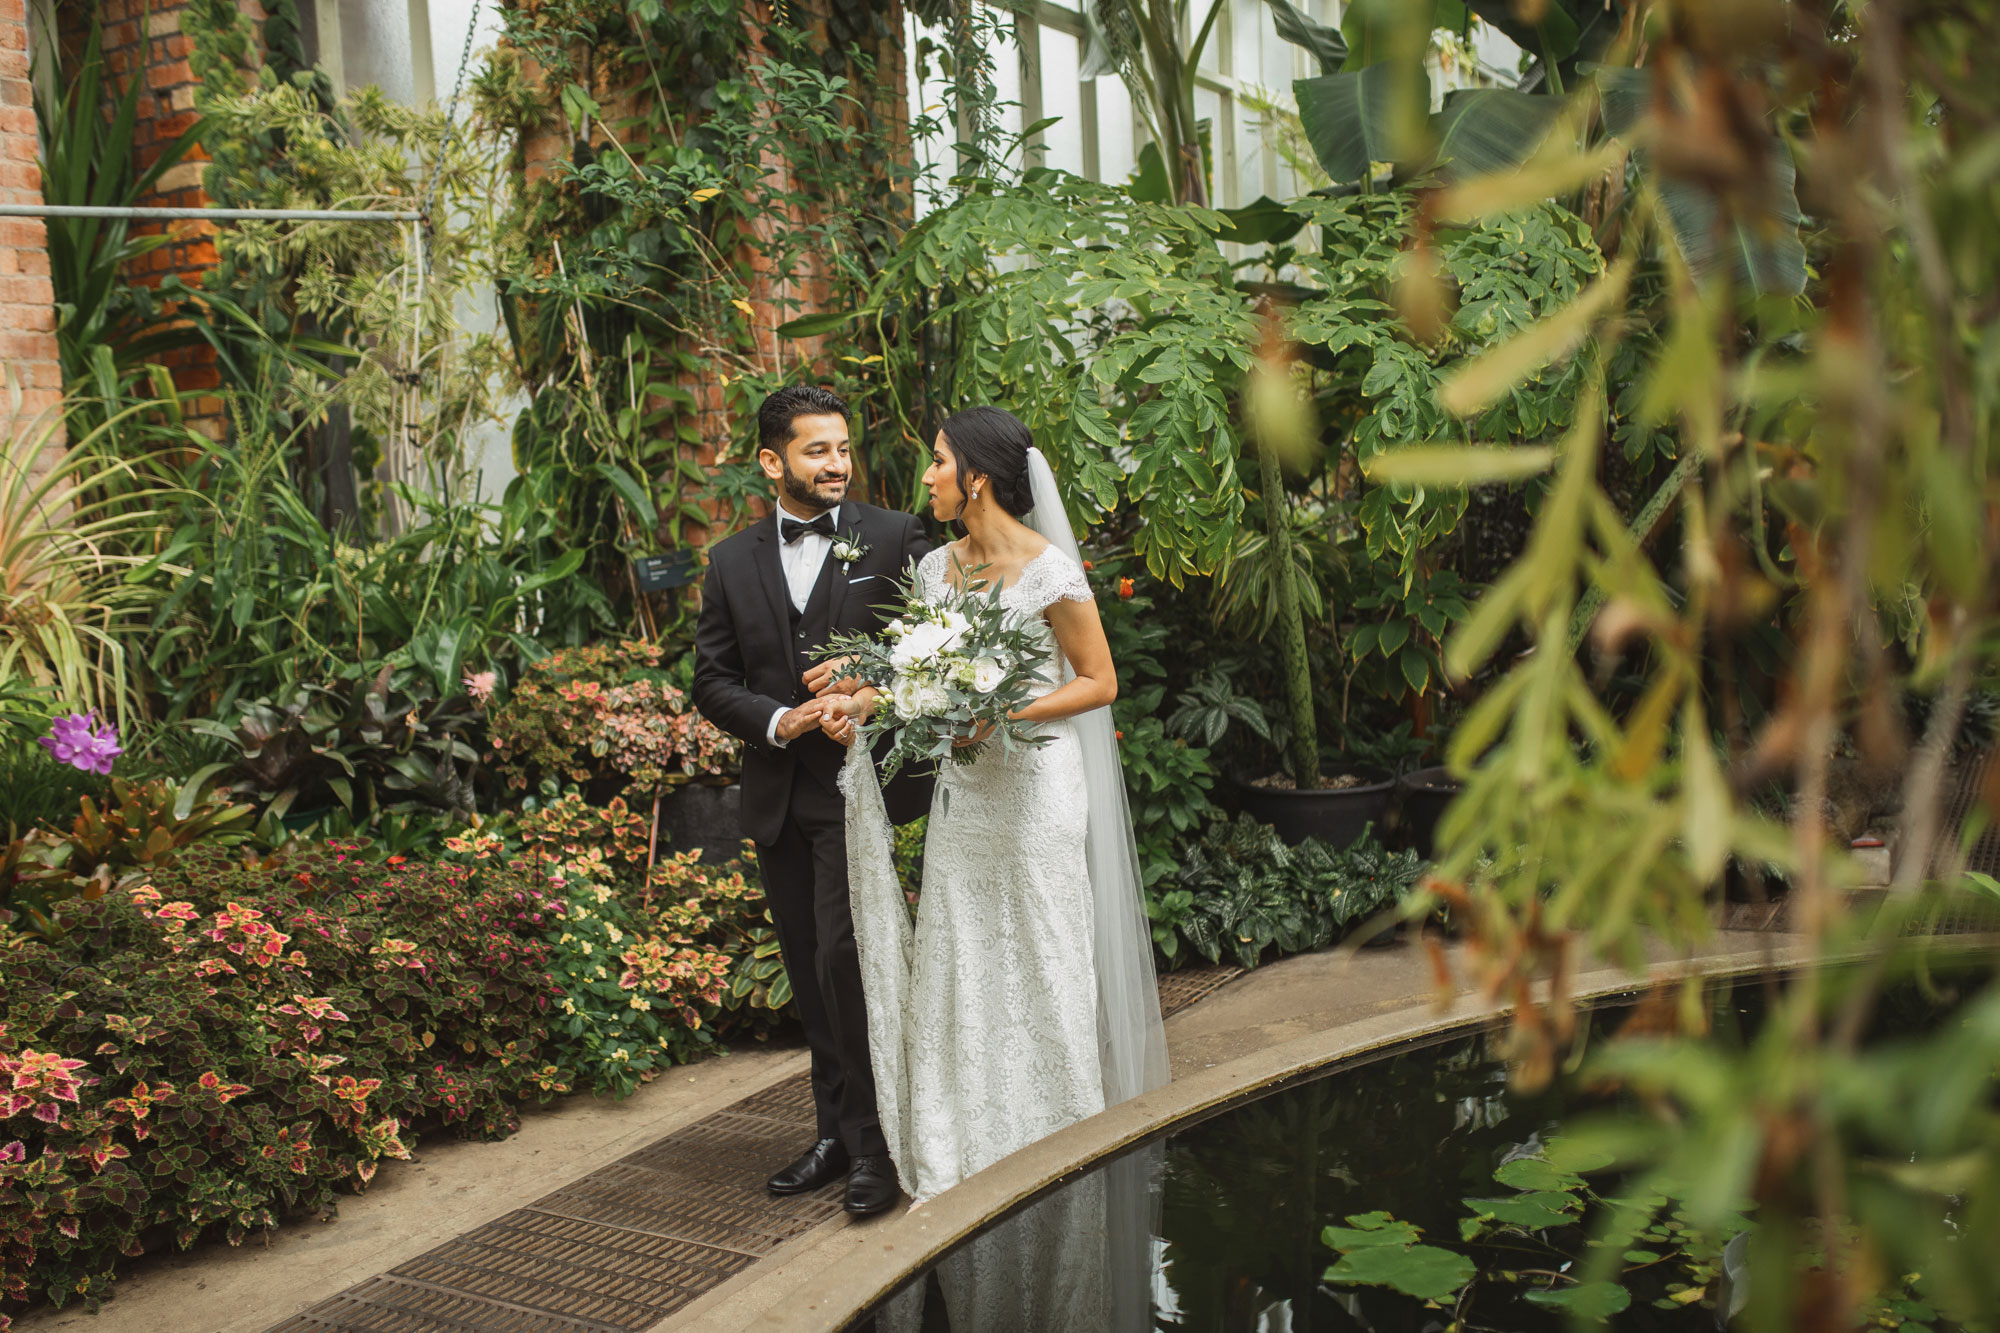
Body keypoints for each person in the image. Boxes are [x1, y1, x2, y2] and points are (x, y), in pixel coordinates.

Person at [817, 405, 1170, 1204]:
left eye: (937, 462)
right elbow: (915, 670)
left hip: (1038, 793)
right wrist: (863, 702)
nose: (928, 477)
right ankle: (962, 1133)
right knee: (962, 953)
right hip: (966, 795)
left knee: (1042, 950)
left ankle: (1060, 1128)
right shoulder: (936, 570)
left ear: (975, 475)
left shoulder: (1052, 572)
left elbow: (1099, 682)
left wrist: (1004, 713)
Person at [690, 385, 932, 1217]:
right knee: (807, 967)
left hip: (858, 790)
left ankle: (874, 1147)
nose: (838, 465)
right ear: (772, 462)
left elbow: (935, 649)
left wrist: (873, 682)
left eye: (842, 448)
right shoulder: (729, 561)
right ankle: (833, 1131)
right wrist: (778, 718)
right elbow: (712, 680)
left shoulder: (896, 536)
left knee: (844, 959)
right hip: (778, 795)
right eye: (817, 451)